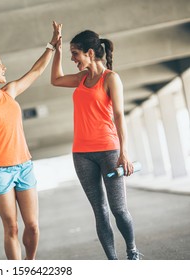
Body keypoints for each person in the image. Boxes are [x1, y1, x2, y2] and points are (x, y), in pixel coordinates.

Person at [0, 21, 60, 260]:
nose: (3, 67)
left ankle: (30, 262)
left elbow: (36, 71)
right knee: (12, 228)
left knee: (33, 226)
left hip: (24, 166)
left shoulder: (11, 91)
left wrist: (52, 45)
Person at [50, 24, 142, 260]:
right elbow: (56, 80)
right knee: (99, 212)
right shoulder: (81, 78)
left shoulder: (111, 78)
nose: (73, 59)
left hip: (109, 151)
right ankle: (113, 262)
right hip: (81, 154)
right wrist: (57, 49)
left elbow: (119, 116)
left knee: (119, 209)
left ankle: (132, 251)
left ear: (90, 53)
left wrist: (124, 153)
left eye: (74, 54)